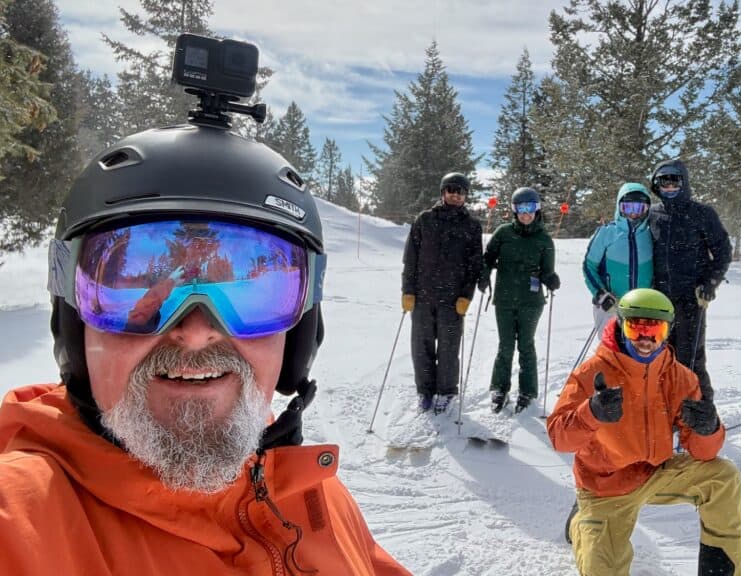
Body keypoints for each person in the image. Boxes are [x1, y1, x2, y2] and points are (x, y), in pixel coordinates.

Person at [0, 121, 409, 574]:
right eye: (129, 289)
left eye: (250, 294)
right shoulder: (22, 521)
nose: (195, 332)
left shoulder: (317, 499)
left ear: (300, 334)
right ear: (72, 324)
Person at [548, 288, 741, 576]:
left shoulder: (680, 378)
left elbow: (703, 452)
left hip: (656, 472)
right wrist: (591, 412)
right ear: (621, 325)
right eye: (636, 328)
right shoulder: (592, 373)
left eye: (655, 330)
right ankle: (582, 523)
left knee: (723, 477)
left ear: (667, 331)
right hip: (605, 486)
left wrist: (709, 429)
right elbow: (558, 437)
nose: (646, 340)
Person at [647, 158, 732, 400]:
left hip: (690, 300)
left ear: (684, 183)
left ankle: (701, 410)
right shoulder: (652, 214)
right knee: (655, 355)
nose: (669, 187)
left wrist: (710, 283)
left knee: (690, 359)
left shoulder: (702, 214)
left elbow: (723, 251)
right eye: (664, 182)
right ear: (656, 185)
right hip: (657, 300)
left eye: (675, 182)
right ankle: (663, 407)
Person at [401, 172, 483, 414]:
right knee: (421, 346)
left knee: (448, 348)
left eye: (461, 191)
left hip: (452, 299)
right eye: (451, 190)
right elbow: (411, 258)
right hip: (423, 297)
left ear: (466, 195)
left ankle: (446, 391)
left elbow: (474, 265)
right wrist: (408, 290)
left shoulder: (471, 226)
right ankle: (425, 390)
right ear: (443, 192)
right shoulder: (425, 220)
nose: (456, 195)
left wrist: (466, 295)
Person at [478, 187, 560, 414]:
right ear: (514, 210)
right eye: (521, 208)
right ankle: (499, 388)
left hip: (531, 302)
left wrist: (551, 279)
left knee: (526, 345)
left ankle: (527, 391)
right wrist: (484, 274)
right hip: (504, 300)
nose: (526, 213)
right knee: (505, 345)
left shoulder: (544, 239)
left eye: (530, 208)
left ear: (537, 209)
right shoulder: (503, 233)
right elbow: (488, 258)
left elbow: (547, 271)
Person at [582, 182, 654, 331]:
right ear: (619, 207)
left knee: (641, 344)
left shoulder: (651, 234)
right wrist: (601, 294)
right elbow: (589, 266)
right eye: (627, 208)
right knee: (611, 344)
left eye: (639, 208)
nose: (633, 213)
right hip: (611, 305)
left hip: (644, 305)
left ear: (647, 209)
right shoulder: (607, 232)